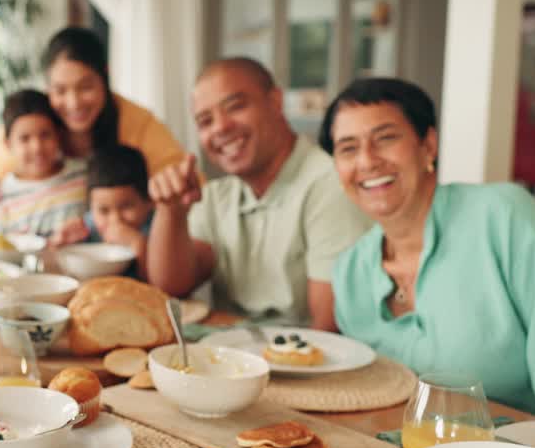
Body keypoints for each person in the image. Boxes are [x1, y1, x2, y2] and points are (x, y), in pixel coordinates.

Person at [321, 77, 535, 427]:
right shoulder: (350, 271)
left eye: (386, 138)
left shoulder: (504, 218)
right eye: (348, 148)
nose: (367, 161)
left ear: (428, 145)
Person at [146, 58, 370, 330]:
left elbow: (327, 331)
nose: (220, 128)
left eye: (235, 107)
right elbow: (171, 286)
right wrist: (171, 211)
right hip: (231, 360)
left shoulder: (330, 185)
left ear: (275, 101)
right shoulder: (218, 195)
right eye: (205, 121)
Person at [0, 26, 188, 204]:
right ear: (47, 87)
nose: (73, 103)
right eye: (60, 90)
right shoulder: (31, 120)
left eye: (85, 87)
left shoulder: (137, 122)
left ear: (105, 76)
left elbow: (181, 179)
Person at [0, 89, 87, 236]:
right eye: (25, 138)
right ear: (8, 144)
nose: (37, 147)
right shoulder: (0, 197)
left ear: (58, 135)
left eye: (45, 135)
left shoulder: (83, 176)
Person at [51, 144, 155, 281]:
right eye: (104, 210)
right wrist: (59, 243)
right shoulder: (88, 226)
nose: (115, 220)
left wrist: (138, 244)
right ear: (91, 208)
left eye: (126, 207)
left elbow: (156, 281)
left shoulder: (156, 228)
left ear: (149, 202)